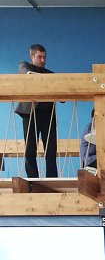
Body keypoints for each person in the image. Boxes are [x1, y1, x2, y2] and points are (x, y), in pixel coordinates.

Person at [15, 44, 58, 178]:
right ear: (32, 56)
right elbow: (27, 75)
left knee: (51, 149)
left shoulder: (51, 74)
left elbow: (61, 95)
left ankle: (52, 178)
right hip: (30, 113)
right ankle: (32, 178)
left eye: (44, 57)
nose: (43, 60)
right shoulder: (24, 65)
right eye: (40, 57)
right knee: (30, 148)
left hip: (47, 114)